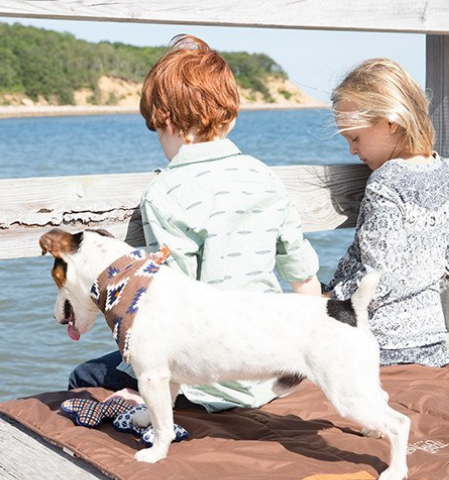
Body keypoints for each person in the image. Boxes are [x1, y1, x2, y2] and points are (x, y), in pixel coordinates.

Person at [69, 34, 321, 411]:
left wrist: (141, 381)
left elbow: (171, 305)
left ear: (165, 121)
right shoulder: (264, 176)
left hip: (207, 380)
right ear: (230, 118)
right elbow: (304, 280)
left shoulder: (165, 193)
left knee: (83, 378)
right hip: (272, 370)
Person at [323, 58, 449, 367]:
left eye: (355, 137)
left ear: (391, 121)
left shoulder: (384, 184)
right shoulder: (442, 170)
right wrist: (418, 290)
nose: (351, 150)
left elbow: (377, 277)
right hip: (433, 344)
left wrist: (329, 302)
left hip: (379, 347)